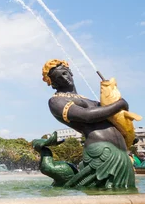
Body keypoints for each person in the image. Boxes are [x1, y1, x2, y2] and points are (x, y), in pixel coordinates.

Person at [41, 59, 135, 188]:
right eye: (58, 77)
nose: (64, 78)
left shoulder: (88, 100)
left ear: (71, 72)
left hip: (121, 153)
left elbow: (112, 114)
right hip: (101, 152)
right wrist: (120, 104)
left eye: (65, 73)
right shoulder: (56, 101)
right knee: (103, 195)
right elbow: (87, 116)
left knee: (125, 191)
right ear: (53, 82)